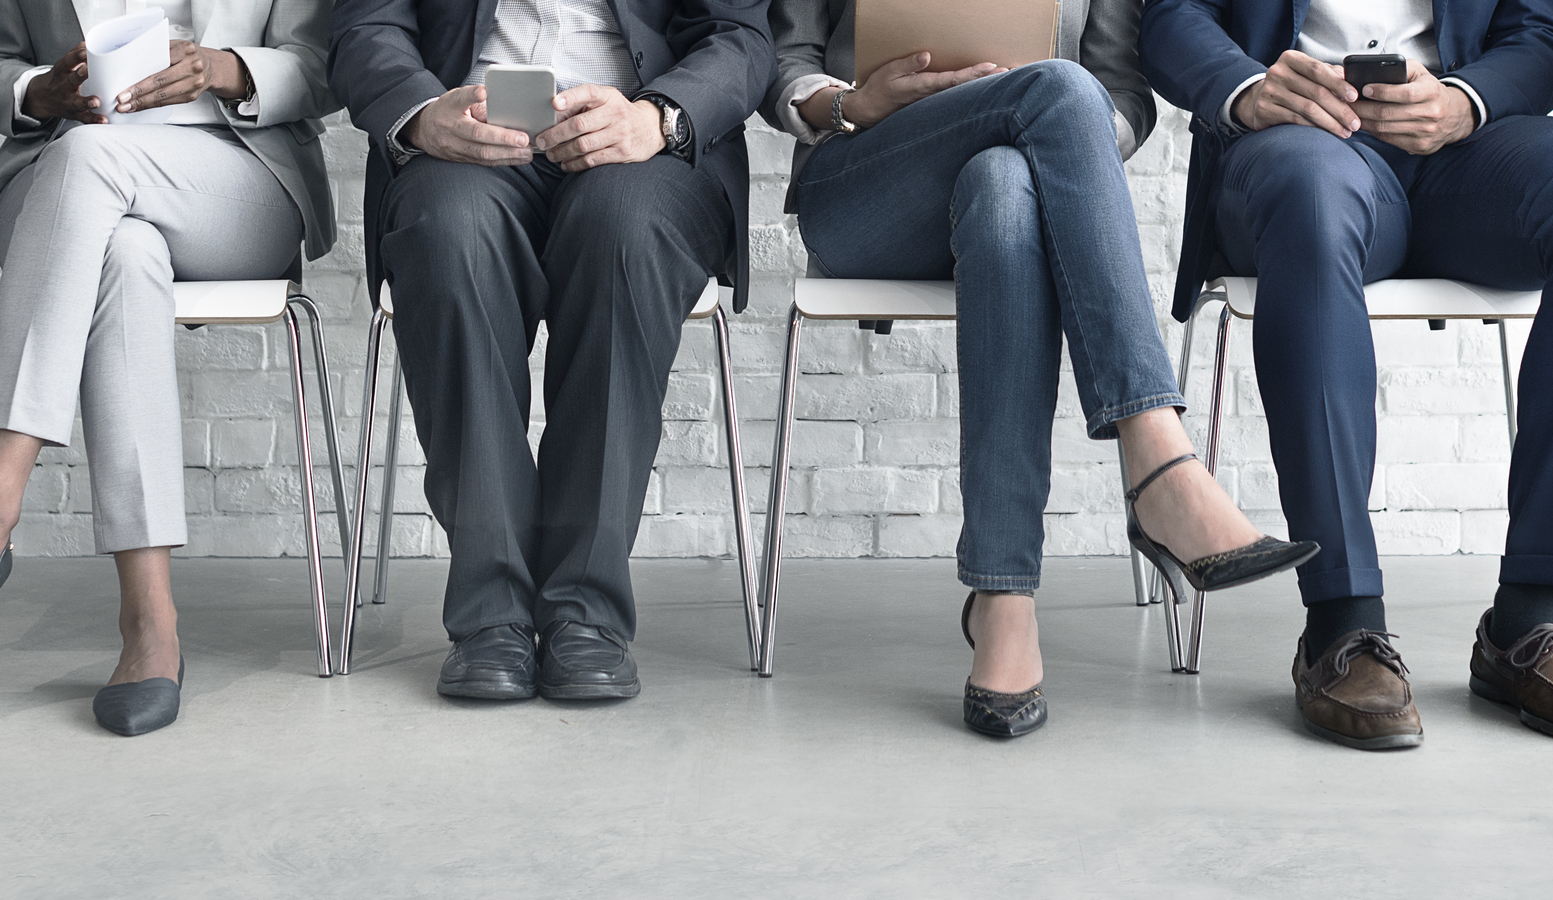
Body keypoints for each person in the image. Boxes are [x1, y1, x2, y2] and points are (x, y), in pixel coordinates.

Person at [763, 0, 1319, 739]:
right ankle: (1159, 463)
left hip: (1016, 188)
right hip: (865, 182)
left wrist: (1057, 134)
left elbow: (1123, 96)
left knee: (1006, 182)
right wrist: (849, 103)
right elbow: (783, 59)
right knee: (1058, 87)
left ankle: (1003, 600)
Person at [1141, 0, 1553, 748]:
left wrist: (1464, 101)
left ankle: (1529, 620)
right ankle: (1342, 623)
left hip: (1467, 155)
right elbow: (1170, 15)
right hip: (1293, 143)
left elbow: (1543, 34)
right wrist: (1249, 89)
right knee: (1311, 193)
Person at [328, 0, 772, 702]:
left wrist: (658, 118)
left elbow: (739, 35)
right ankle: (490, 614)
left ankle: (585, 612)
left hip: (642, 144)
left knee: (621, 234)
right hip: (463, 141)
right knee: (449, 236)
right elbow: (365, 24)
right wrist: (419, 113)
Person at [0, 0, 339, 736]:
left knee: (93, 162)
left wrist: (224, 68)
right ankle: (149, 622)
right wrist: (35, 91)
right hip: (63, 174)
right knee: (124, 250)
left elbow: (324, 66)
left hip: (236, 170)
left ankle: (2, 482)